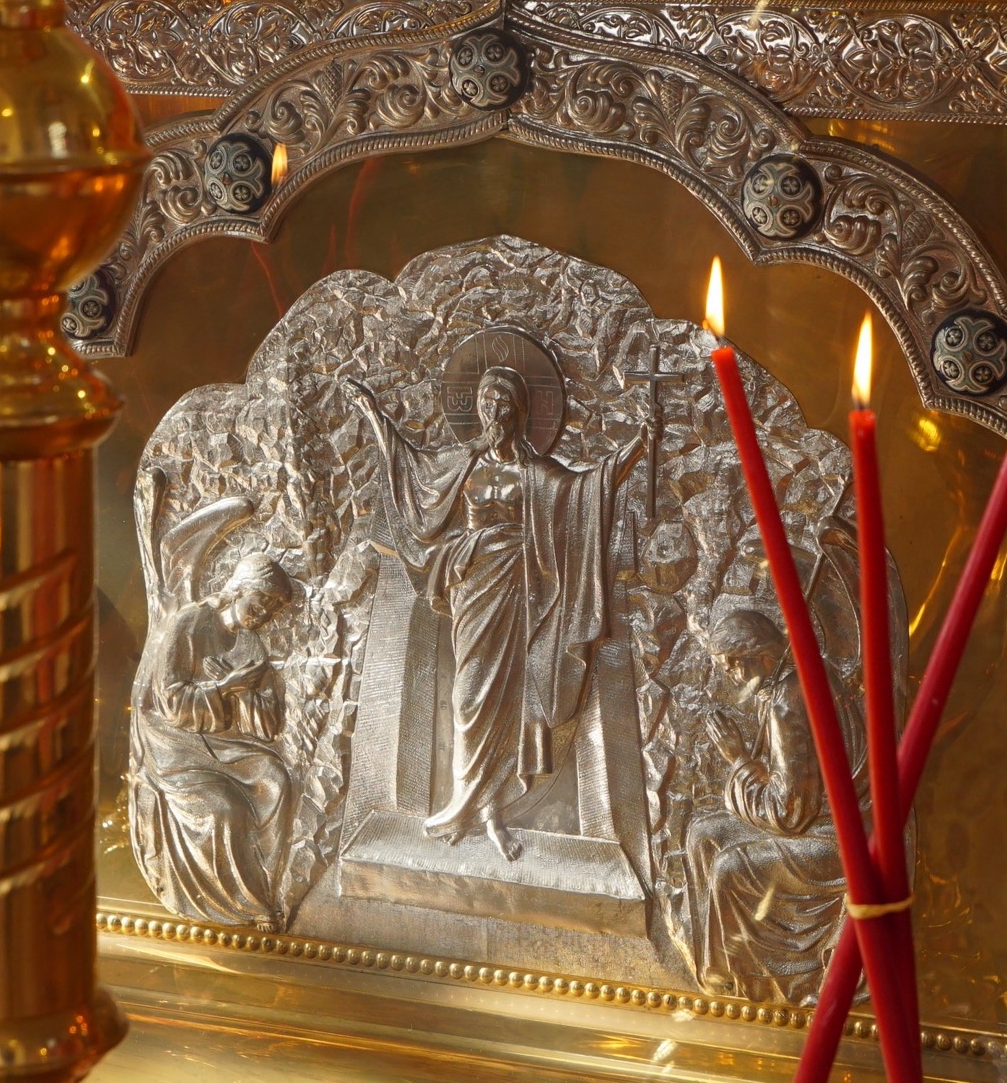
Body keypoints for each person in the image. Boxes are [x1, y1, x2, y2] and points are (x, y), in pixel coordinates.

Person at [344, 366, 645, 860]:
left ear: (520, 414)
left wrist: (638, 445)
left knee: (510, 703)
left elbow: (590, 488)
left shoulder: (537, 474)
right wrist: (374, 414)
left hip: (519, 593)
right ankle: (465, 804)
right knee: (468, 698)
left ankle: (490, 816)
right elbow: (410, 468)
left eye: (504, 405)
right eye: (487, 404)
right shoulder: (463, 464)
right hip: (472, 589)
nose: (495, 414)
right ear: (478, 410)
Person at [685, 609, 856, 1005]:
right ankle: (716, 970)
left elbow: (788, 814)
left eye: (734, 666)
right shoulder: (795, 679)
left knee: (728, 869)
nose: (732, 677)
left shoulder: (788, 702)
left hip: (836, 840)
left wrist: (738, 760)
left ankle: (745, 983)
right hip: (815, 821)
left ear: (762, 657)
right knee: (702, 834)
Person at [129, 553, 298, 931]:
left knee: (275, 778)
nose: (265, 612)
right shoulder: (189, 622)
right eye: (261, 599)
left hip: (221, 745)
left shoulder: (251, 646)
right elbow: (169, 701)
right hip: (174, 743)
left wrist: (242, 692)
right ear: (239, 588)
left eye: (273, 607)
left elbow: (268, 725)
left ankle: (271, 886)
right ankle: (247, 903)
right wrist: (224, 686)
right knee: (224, 809)